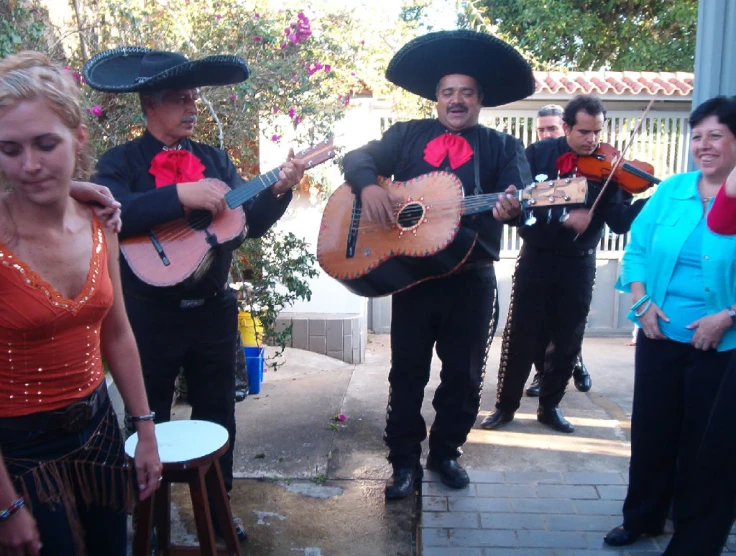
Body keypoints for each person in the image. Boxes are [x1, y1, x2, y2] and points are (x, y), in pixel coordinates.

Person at [84, 47, 304, 540]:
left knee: (218, 413)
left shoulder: (214, 160)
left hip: (212, 310)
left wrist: (280, 190)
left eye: (194, 99)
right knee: (149, 416)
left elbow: (244, 226)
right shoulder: (119, 163)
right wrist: (179, 196)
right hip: (148, 313)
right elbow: (110, 215)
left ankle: (218, 511)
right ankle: (145, 517)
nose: (191, 108)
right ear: (149, 106)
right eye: (180, 99)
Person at [342, 30, 533, 498]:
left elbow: (523, 199)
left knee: (464, 376)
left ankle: (446, 451)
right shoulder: (406, 135)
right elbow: (358, 157)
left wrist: (515, 207)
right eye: (448, 91)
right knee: (406, 373)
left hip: (471, 281)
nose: (456, 100)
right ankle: (403, 461)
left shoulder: (503, 147)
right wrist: (368, 186)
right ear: (436, 98)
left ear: (480, 99)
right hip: (412, 278)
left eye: (466, 92)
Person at [0, 51, 162, 556]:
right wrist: (4, 504)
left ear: (78, 138)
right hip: (18, 451)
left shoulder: (99, 221)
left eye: (46, 144)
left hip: (99, 431)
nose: (30, 165)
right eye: (8, 149)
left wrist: (145, 429)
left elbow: (117, 332)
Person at [603, 96, 736, 552]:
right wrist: (641, 303)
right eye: (697, 136)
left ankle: (694, 526)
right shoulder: (671, 190)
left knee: (705, 444)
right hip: (660, 333)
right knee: (653, 429)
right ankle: (642, 517)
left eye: (715, 135)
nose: (704, 145)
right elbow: (637, 249)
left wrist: (727, 317)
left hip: (722, 344)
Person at [481, 95, 648, 434]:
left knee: (568, 336)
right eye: (584, 132)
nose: (593, 140)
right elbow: (518, 210)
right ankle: (505, 406)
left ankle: (550, 406)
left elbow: (618, 221)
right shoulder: (537, 154)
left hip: (580, 263)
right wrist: (559, 217)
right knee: (520, 334)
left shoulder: (610, 166)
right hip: (537, 258)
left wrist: (651, 203)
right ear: (567, 127)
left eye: (598, 132)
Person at [526, 103, 592, 398]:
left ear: (564, 128)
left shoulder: (588, 160)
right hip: (540, 253)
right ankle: (541, 373)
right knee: (537, 325)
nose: (546, 135)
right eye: (541, 130)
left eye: (551, 128)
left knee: (568, 325)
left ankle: (573, 363)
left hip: (576, 258)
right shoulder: (535, 158)